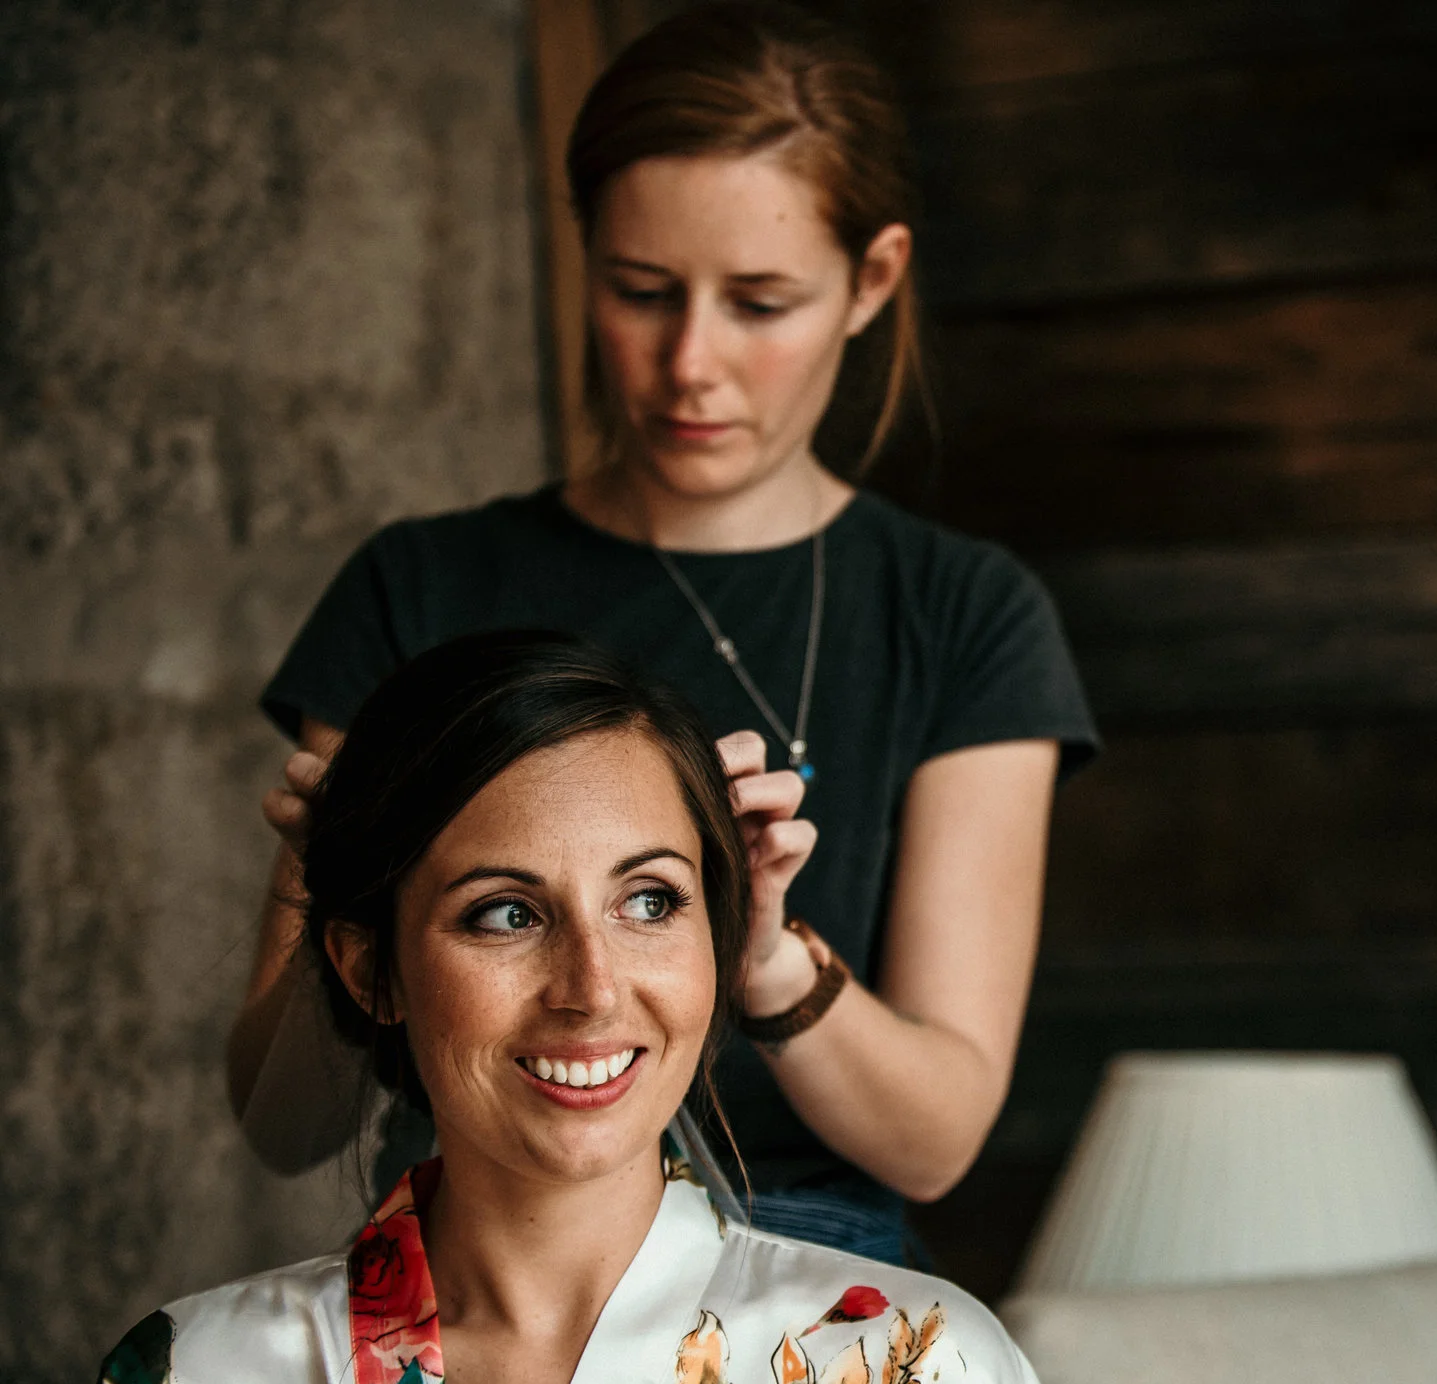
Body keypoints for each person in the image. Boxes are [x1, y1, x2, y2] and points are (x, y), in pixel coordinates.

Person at [224, 0, 1096, 1260]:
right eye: (642, 292)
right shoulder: (419, 585)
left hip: (807, 1288)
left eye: (759, 302)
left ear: (874, 280)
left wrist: (771, 964)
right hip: (475, 1257)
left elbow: (935, 1137)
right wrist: (336, 914)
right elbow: (284, 1126)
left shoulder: (959, 613)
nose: (691, 362)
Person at [59, 633, 1099, 1384]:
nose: (592, 987)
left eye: (650, 901)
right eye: (505, 914)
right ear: (369, 967)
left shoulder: (924, 1381)